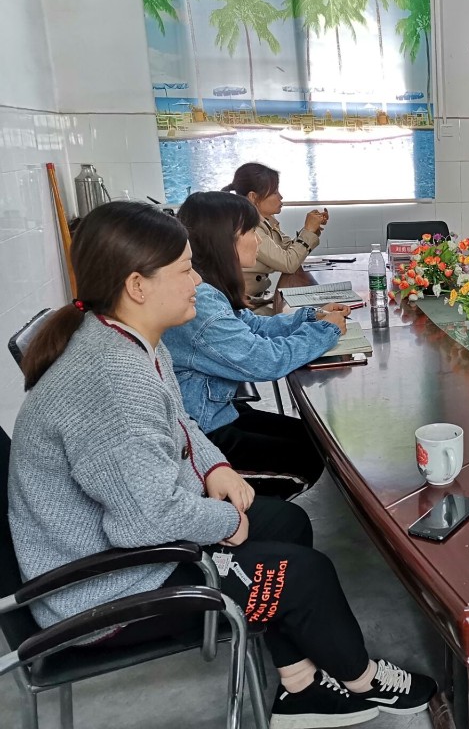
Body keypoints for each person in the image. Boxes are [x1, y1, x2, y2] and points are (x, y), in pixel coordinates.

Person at [8, 201, 436, 728]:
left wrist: (215, 468)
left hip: (128, 552)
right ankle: (361, 676)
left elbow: (181, 420)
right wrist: (227, 520)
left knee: (287, 522)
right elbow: (146, 522)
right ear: (137, 285)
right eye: (185, 270)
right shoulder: (112, 380)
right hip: (105, 596)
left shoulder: (124, 336)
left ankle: (299, 683)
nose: (197, 282)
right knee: (306, 575)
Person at [163, 191, 347, 499]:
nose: (258, 240)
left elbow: (255, 326)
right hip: (202, 431)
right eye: (250, 231)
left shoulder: (210, 287)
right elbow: (266, 361)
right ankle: (245, 513)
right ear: (223, 241)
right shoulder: (201, 301)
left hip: (216, 410)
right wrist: (325, 331)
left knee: (313, 439)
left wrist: (311, 316)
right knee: (307, 457)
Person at [223, 162, 329, 310]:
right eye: (274, 192)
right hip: (246, 307)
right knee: (310, 315)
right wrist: (308, 231)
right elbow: (288, 263)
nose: (281, 196)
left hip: (259, 299)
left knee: (312, 311)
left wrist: (312, 230)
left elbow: (289, 249)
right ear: (253, 197)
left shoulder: (265, 221)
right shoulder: (247, 227)